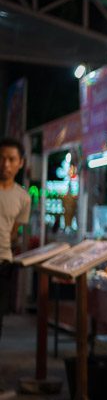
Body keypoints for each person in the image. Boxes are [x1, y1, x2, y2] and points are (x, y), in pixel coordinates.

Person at [0, 138, 29, 341]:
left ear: (21, 162)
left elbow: (14, 232)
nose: (6, 164)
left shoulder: (23, 198)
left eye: (11, 159)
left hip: (3, 263)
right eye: (1, 159)